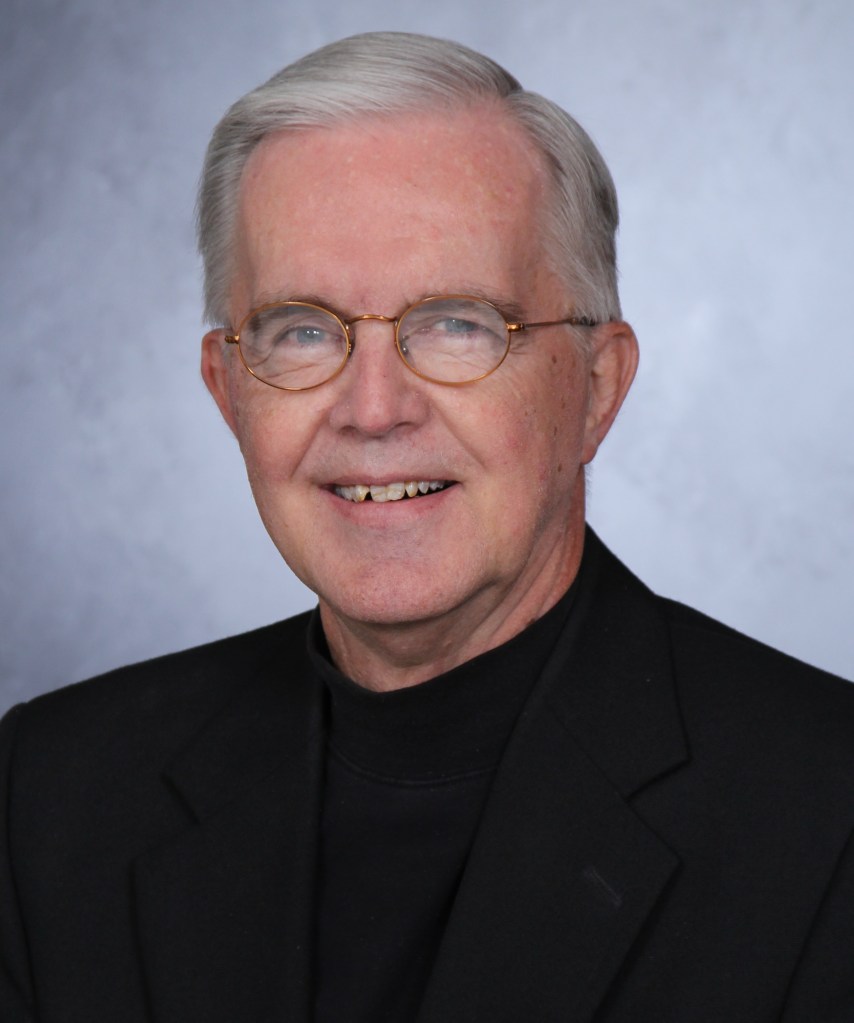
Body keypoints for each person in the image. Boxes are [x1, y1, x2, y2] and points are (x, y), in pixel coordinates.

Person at [2, 30, 853, 1023]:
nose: (373, 410)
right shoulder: (52, 793)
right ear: (229, 391)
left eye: (456, 324)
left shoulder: (827, 811)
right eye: (302, 330)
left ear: (596, 387)